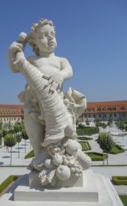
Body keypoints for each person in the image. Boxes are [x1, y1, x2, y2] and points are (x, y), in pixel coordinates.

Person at [8, 18, 86, 157]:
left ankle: (62, 158)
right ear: (34, 42)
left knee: (63, 135)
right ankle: (39, 160)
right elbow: (15, 67)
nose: (50, 38)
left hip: (56, 106)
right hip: (34, 106)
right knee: (35, 134)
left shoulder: (61, 60)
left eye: (52, 34)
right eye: (44, 36)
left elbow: (70, 71)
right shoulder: (32, 60)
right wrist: (12, 51)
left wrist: (61, 76)